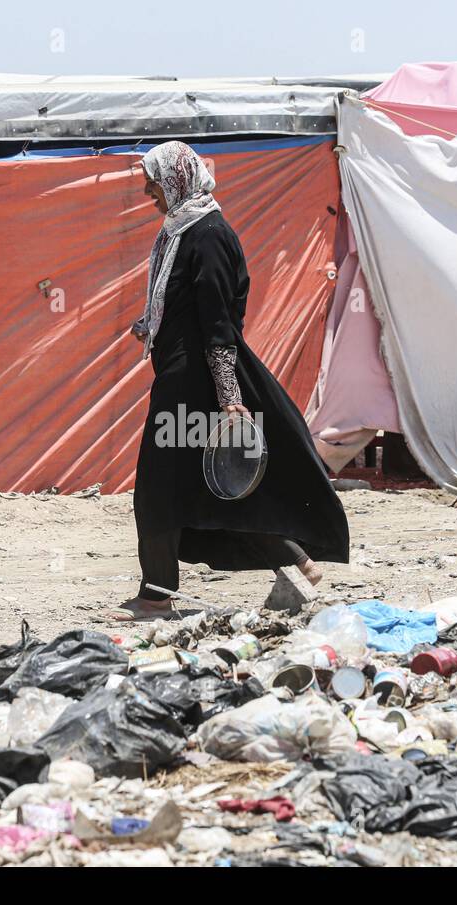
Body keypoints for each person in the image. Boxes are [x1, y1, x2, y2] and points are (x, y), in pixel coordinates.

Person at [112, 141, 349, 621]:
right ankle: (293, 558)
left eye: (153, 182)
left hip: (196, 383)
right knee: (207, 487)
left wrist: (228, 396)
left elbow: (218, 323)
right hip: (184, 377)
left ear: (177, 180)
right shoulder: (183, 231)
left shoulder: (208, 235)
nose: (147, 191)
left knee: (160, 490)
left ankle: (156, 598)